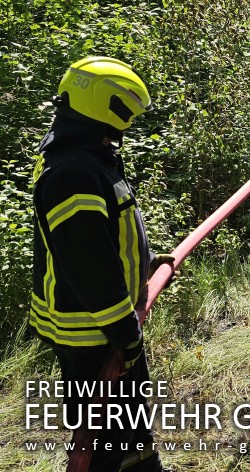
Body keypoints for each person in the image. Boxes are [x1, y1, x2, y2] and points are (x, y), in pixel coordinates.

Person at [29, 56, 171, 472]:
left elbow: (105, 239)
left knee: (128, 426)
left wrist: (145, 264)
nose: (125, 126)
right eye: (125, 112)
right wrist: (125, 338)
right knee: (102, 440)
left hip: (107, 326)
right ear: (105, 107)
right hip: (93, 336)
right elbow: (89, 267)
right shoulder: (73, 173)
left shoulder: (88, 154)